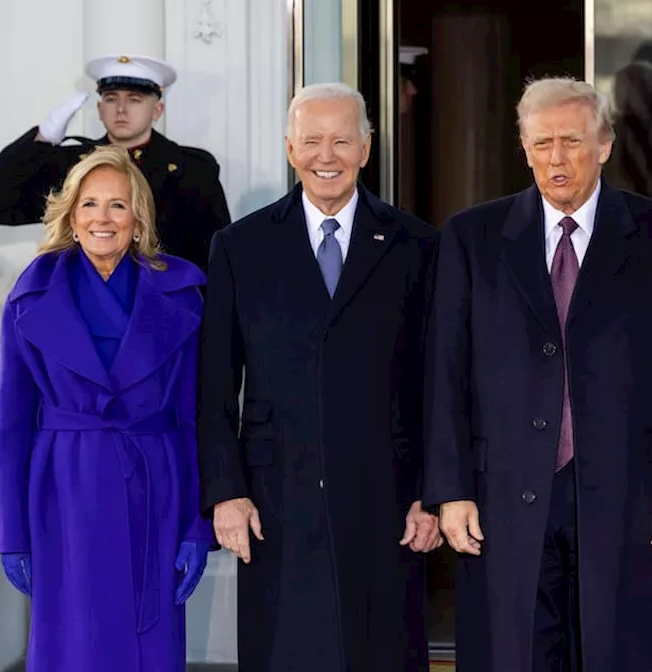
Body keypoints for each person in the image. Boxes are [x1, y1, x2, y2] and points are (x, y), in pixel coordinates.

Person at [424, 76, 652, 672]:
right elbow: (445, 372)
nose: (556, 158)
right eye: (542, 143)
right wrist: (450, 490)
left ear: (604, 145)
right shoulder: (472, 237)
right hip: (503, 493)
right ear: (524, 147)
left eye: (572, 142)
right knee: (517, 654)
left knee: (617, 651)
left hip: (629, 494)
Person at [195, 82, 441, 672]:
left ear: (366, 148)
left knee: (379, 649)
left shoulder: (418, 244)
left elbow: (439, 382)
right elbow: (214, 385)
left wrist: (433, 494)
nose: (324, 156)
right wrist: (226, 491)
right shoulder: (240, 245)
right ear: (289, 148)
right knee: (286, 650)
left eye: (340, 141)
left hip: (387, 494)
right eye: (311, 141)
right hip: (277, 494)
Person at [0, 145, 211, 671]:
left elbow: (194, 417)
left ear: (138, 218)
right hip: (64, 494)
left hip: (155, 489)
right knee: (74, 645)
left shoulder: (182, 293)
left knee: (150, 649)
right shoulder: (31, 294)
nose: (102, 218)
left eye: (117, 205)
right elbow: (13, 421)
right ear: (70, 215)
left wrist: (195, 525)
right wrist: (11, 533)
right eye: (89, 204)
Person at [0, 54, 230, 271]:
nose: (121, 109)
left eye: (134, 99)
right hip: (86, 308)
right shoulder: (73, 166)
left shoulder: (192, 170)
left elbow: (216, 258)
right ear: (99, 109)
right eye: (111, 98)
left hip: (166, 311)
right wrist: (42, 138)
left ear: (157, 110)